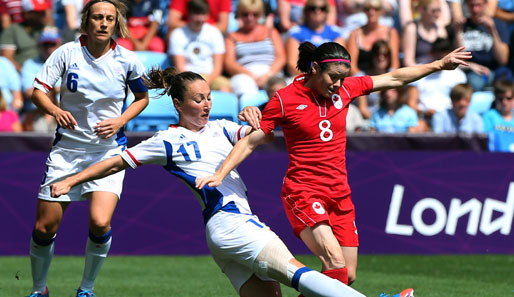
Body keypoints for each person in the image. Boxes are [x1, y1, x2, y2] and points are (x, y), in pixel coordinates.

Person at [48, 68, 400, 297]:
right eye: (198, 99)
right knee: (300, 274)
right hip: (233, 223)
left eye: (209, 97)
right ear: (178, 103)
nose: (206, 104)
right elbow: (115, 162)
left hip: (221, 235)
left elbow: (258, 136)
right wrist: (72, 180)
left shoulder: (220, 127)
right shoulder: (166, 140)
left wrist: (254, 118)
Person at [196, 41, 470, 288]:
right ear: (314, 68)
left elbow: (395, 77)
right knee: (335, 264)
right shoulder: (285, 99)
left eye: (343, 78)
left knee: (345, 276)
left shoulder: (346, 90)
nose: (338, 85)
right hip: (303, 191)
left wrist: (439, 65)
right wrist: (221, 173)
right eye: (333, 77)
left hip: (340, 194)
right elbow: (251, 141)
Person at [25, 0, 149, 296]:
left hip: (107, 152)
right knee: (44, 228)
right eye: (97, 17)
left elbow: (142, 98)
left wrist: (120, 121)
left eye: (109, 18)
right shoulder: (67, 53)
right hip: (67, 151)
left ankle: (87, 289)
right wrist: (55, 110)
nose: (103, 23)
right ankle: (39, 289)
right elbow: (37, 92)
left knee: (99, 221)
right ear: (87, 21)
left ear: (116, 23)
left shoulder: (128, 60)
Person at [224, 0, 286, 97]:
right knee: (245, 88)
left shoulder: (271, 32)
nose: (250, 18)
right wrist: (251, 75)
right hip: (244, 74)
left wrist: (267, 75)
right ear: (239, 14)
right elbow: (229, 63)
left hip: (270, 71)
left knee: (278, 88)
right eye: (245, 14)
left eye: (255, 14)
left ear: (260, 14)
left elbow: (281, 58)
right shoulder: (232, 37)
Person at [168, 0, 231, 92]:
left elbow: (218, 67)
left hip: (210, 77)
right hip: (187, 78)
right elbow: (180, 67)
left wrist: (206, 82)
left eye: (203, 14)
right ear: (189, 14)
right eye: (196, 14)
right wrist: (195, 84)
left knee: (225, 89)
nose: (200, 18)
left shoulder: (215, 33)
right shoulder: (178, 34)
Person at [451, 0, 510, 91]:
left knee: (506, 83)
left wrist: (492, 30)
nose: (475, 10)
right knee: (473, 83)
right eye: (472, 6)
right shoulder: (462, 26)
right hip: (471, 70)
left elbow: (503, 60)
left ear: (486, 4)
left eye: (478, 5)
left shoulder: (498, 24)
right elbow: (458, 59)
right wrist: (458, 32)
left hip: (494, 69)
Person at [285, 0, 345, 76]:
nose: (317, 11)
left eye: (322, 8)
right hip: (304, 76)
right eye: (312, 8)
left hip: (330, 77)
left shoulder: (335, 32)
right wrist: (313, 78)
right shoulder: (296, 32)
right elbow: (292, 64)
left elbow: (341, 61)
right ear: (306, 11)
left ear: (327, 12)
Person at [20, 25, 61, 132]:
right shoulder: (30, 64)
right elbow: (30, 93)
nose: (48, 48)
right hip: (38, 113)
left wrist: (46, 90)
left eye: (52, 44)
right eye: (45, 44)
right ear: (39, 45)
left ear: (59, 44)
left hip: (65, 111)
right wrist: (57, 89)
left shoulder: (67, 62)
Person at [346, 0, 400, 76]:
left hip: (386, 79)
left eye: (376, 9)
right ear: (364, 11)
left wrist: (389, 80)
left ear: (381, 11)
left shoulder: (391, 33)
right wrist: (364, 81)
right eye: (367, 9)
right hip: (362, 80)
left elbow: (395, 63)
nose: (371, 12)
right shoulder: (355, 34)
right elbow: (351, 65)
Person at [0, 0, 50, 72]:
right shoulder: (13, 30)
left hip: (48, 72)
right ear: (26, 13)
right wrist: (24, 72)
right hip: (21, 74)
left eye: (43, 11)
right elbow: (7, 57)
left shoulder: (48, 29)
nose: (42, 14)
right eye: (37, 12)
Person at [401, 0, 450, 67]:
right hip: (419, 70)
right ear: (422, 9)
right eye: (433, 11)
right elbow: (408, 61)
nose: (437, 14)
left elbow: (444, 55)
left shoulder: (440, 28)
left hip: (438, 70)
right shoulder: (412, 28)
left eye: (439, 10)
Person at [483, 80, 514, 152]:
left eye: (508, 98)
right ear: (495, 99)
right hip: (495, 159)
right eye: (501, 99)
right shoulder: (488, 117)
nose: (504, 102)